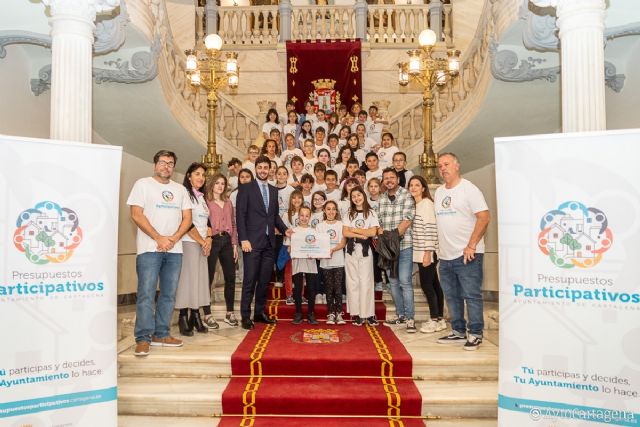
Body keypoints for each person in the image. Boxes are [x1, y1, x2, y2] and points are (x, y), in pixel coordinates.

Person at [127, 150, 192, 357]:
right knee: (146, 294)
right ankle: (143, 338)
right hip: (149, 249)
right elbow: (136, 215)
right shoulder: (142, 184)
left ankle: (162, 333)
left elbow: (187, 219)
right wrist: (158, 237)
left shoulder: (180, 189)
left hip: (175, 250)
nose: (166, 166)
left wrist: (173, 238)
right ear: (155, 165)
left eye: (170, 163)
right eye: (163, 162)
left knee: (168, 294)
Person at [434, 153, 490, 350]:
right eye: (440, 166)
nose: (443, 168)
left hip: (468, 254)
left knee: (471, 295)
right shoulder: (439, 192)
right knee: (451, 295)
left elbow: (484, 217)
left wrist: (472, 245)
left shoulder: (469, 189)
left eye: (446, 164)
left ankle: (475, 333)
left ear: (457, 165)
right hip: (446, 255)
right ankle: (458, 331)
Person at [236, 155, 291, 330]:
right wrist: (243, 239)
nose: (262, 170)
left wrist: (285, 230)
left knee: (264, 280)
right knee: (249, 280)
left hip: (269, 243)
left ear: (270, 170)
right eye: (259, 167)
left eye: (265, 167)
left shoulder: (274, 190)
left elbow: (273, 216)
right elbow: (240, 215)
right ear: (256, 169)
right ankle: (245, 315)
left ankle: (259, 313)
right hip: (251, 242)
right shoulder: (246, 189)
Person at [175, 163, 214, 337]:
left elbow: (208, 223)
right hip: (188, 242)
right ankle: (183, 316)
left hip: (201, 244)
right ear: (189, 176)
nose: (200, 177)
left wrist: (209, 239)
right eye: (197, 174)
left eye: (203, 175)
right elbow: (186, 222)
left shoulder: (202, 197)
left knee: (199, 280)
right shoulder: (184, 194)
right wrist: (201, 241)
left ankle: (195, 314)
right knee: (187, 280)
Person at [377, 168, 417, 333]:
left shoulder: (406, 195)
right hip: (387, 249)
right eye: (386, 178)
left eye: (392, 177)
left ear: (398, 180)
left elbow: (407, 220)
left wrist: (390, 238)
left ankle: (410, 318)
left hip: (404, 246)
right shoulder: (381, 199)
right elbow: (378, 223)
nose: (389, 180)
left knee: (405, 282)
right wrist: (385, 239)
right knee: (392, 282)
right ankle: (400, 315)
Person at [408, 175, 446, 334]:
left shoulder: (427, 205)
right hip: (422, 251)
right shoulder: (417, 205)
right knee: (435, 284)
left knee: (427, 285)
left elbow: (430, 229)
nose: (414, 188)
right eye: (411, 185)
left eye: (417, 185)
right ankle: (440, 319)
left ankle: (434, 319)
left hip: (427, 251)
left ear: (423, 188)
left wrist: (427, 253)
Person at [343, 186, 380, 326]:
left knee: (366, 281)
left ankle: (369, 314)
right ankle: (357, 314)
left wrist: (355, 229)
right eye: (353, 197)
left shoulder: (370, 213)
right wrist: (361, 233)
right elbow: (345, 233)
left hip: (365, 251)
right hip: (351, 250)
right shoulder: (349, 214)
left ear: (363, 195)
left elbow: (372, 232)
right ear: (351, 199)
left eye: (359, 195)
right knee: (353, 282)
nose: (356, 198)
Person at [206, 173, 239, 328]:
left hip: (227, 240)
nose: (220, 186)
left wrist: (234, 245)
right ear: (212, 184)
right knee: (208, 277)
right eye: (217, 183)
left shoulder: (228, 203)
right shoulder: (206, 202)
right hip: (212, 240)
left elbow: (233, 224)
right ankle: (207, 314)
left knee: (230, 277)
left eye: (222, 183)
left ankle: (229, 312)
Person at [316, 201, 347, 325]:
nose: (331, 211)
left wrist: (332, 250)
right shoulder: (320, 226)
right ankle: (330, 313)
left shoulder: (341, 224)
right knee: (329, 288)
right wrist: (321, 253)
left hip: (338, 260)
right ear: (324, 210)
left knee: (338, 288)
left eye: (333, 209)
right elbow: (318, 244)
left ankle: (339, 313)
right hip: (325, 261)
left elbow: (343, 242)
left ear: (336, 211)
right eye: (328, 209)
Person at [290, 206, 319, 325]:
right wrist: (293, 250)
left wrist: (315, 253)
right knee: (297, 289)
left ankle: (311, 313)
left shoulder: (314, 231)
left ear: (310, 217)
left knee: (311, 289)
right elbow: (289, 248)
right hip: (297, 262)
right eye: (302, 215)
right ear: (298, 216)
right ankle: (298, 313)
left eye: (307, 216)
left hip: (310, 263)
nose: (304, 218)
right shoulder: (293, 230)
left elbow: (318, 248)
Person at [282, 190, 304, 305]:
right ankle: (289, 295)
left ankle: (300, 295)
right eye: (294, 198)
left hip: (302, 247)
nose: (296, 200)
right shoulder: (287, 214)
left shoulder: (305, 212)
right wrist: (290, 244)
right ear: (290, 200)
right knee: (289, 271)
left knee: (301, 271)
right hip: (289, 245)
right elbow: (285, 231)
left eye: (299, 197)